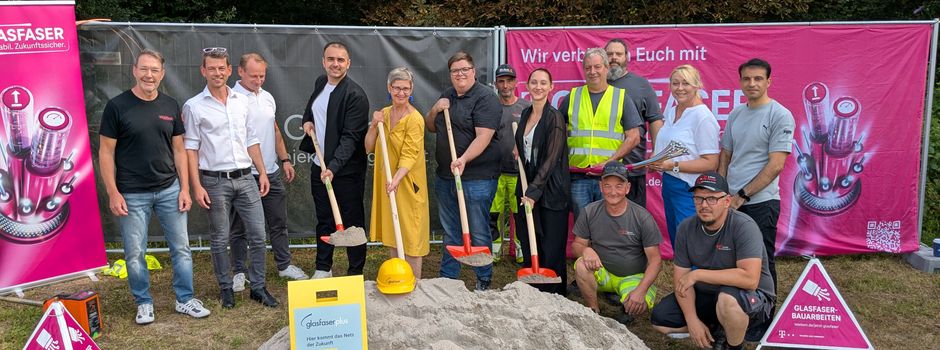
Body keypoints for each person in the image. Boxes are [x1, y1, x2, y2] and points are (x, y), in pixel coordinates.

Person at [99, 49, 210, 324]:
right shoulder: (117, 106)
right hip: (132, 193)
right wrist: (113, 192)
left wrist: (184, 188)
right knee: (135, 253)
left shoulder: (171, 105)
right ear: (134, 71)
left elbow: (179, 150)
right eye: (144, 69)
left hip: (169, 189)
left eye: (155, 70)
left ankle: (185, 299)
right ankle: (144, 302)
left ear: (162, 74)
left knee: (181, 248)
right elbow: (105, 152)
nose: (149, 75)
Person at [184, 47, 278, 308]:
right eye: (211, 68)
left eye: (221, 68)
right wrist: (196, 186)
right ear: (203, 71)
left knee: (258, 234)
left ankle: (258, 287)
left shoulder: (241, 102)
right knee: (220, 237)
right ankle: (226, 288)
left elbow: (252, 140)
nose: (217, 73)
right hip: (214, 181)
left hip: (247, 177)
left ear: (228, 70)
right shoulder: (193, 107)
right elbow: (190, 149)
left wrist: (262, 172)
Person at [650, 172, 776, 350]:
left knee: (727, 300)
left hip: (752, 296)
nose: (704, 205)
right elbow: (682, 281)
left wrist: (698, 274)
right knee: (660, 320)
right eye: (699, 198)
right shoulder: (686, 228)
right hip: (710, 292)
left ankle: (733, 346)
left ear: (726, 202)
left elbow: (750, 279)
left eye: (711, 199)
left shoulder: (744, 226)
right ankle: (717, 331)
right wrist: (692, 320)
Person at [229, 52, 308, 293]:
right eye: (253, 75)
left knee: (278, 222)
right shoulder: (231, 99)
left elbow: (274, 130)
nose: (258, 80)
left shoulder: (268, 97)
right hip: (243, 173)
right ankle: (240, 272)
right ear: (240, 72)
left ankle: (284, 265)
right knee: (240, 226)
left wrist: (284, 159)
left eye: (262, 76)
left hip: (271, 171)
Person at [426, 51, 501, 291]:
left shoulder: (486, 98)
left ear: (473, 71)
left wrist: (464, 158)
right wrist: (435, 109)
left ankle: (483, 278)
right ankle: (448, 278)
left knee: (478, 229)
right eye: (455, 71)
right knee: (451, 229)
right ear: (450, 75)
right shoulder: (446, 96)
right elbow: (431, 126)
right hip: (446, 176)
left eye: (464, 69)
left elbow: (484, 137)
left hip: (476, 177)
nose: (460, 74)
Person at [718, 58, 794, 292]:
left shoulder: (780, 115)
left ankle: (763, 321)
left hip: (761, 203)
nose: (752, 83)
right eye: (747, 79)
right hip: (730, 202)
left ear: (768, 82)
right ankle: (735, 313)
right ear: (740, 82)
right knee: (730, 261)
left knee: (760, 262)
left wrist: (742, 195)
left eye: (758, 79)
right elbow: (726, 155)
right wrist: (722, 192)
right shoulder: (736, 113)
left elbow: (776, 165)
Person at [301, 42, 370, 278]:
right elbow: (312, 108)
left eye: (340, 60)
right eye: (331, 59)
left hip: (346, 170)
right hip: (320, 166)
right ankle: (323, 268)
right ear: (324, 62)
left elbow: (351, 139)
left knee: (352, 222)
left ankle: (355, 271)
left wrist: (333, 167)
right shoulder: (321, 83)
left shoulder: (355, 96)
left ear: (348, 63)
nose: (335, 64)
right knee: (324, 219)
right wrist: (307, 121)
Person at [571, 162, 662, 324]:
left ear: (627, 188)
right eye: (608, 186)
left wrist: (640, 291)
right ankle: (593, 310)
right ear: (601, 187)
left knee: (636, 306)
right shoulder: (589, 211)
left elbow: (655, 261)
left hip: (632, 276)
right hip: (603, 272)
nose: (613, 192)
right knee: (581, 265)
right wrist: (586, 250)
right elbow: (577, 245)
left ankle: (628, 306)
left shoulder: (642, 217)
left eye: (619, 186)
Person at [558, 48, 643, 219]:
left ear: (606, 68)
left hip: (610, 177)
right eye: (588, 67)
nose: (592, 72)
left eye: (597, 67)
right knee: (583, 227)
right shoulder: (572, 97)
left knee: (610, 226)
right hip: (578, 176)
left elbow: (634, 137)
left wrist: (609, 162)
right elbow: (556, 134)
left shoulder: (621, 97)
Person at [365, 67, 429, 278]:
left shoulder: (415, 119)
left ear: (411, 90)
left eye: (406, 89)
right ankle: (398, 277)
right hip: (389, 180)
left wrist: (396, 180)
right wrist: (374, 125)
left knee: (411, 233)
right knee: (394, 230)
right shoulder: (383, 114)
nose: (401, 93)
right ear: (389, 88)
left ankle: (414, 282)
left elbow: (410, 155)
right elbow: (368, 147)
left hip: (408, 182)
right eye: (397, 88)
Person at [648, 64, 720, 246]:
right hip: (670, 183)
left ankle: (697, 275)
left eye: (686, 83)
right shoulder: (673, 111)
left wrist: (673, 165)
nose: (680, 88)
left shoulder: (703, 117)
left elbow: (711, 163)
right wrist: (654, 160)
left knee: (691, 242)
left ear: (697, 86)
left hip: (690, 188)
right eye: (675, 83)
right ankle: (683, 275)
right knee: (678, 240)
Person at [513, 68, 570, 295]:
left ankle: (554, 295)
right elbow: (527, 148)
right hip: (528, 184)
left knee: (551, 245)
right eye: (534, 82)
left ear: (551, 87)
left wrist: (534, 192)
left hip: (550, 190)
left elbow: (551, 159)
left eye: (543, 83)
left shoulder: (554, 118)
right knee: (529, 237)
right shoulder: (526, 114)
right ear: (527, 86)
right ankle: (533, 291)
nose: (538, 87)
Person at [605, 39, 665, 208]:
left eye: (618, 54)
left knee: (632, 222)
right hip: (602, 166)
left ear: (627, 57)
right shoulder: (596, 85)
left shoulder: (641, 85)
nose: (614, 58)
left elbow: (654, 119)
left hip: (633, 167)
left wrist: (657, 150)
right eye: (609, 54)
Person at [490, 64, 531, 262]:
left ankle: (521, 249)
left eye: (509, 81)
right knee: (493, 211)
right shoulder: (490, 106)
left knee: (520, 213)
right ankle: (495, 247)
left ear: (515, 82)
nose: (505, 85)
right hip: (495, 171)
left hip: (519, 171)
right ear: (496, 83)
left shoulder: (525, 107)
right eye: (501, 81)